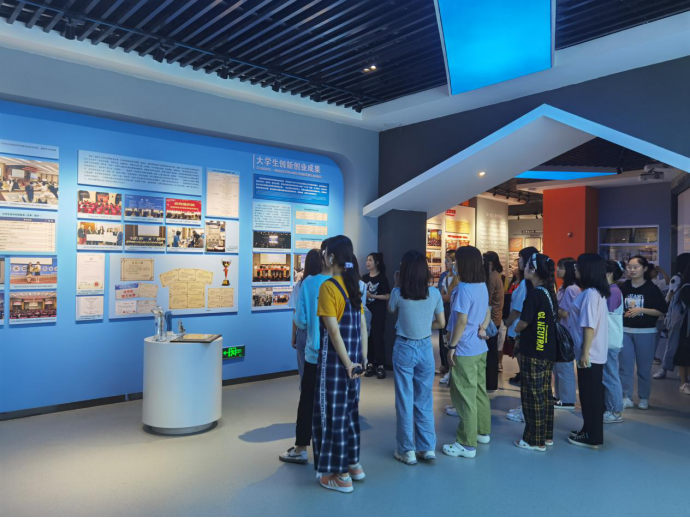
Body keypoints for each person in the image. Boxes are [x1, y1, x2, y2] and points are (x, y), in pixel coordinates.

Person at [313, 236, 368, 494]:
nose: (323, 256)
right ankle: (353, 464)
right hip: (356, 362)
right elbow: (362, 325)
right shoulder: (353, 286)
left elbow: (333, 332)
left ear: (332, 257)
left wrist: (347, 364)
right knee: (349, 413)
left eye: (325, 252)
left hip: (337, 365)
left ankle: (340, 475)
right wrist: (362, 359)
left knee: (332, 414)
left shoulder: (328, 287)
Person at [389, 251, 446, 466]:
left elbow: (390, 309)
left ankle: (407, 451)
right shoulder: (434, 293)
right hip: (425, 348)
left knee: (405, 399)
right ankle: (427, 447)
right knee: (424, 398)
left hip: (404, 347)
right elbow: (441, 323)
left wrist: (396, 284)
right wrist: (424, 325)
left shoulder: (398, 293)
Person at [279, 244, 330, 466]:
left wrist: (297, 334)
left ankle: (301, 448)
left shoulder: (306, 284)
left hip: (311, 346)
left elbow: (299, 319)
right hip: (334, 351)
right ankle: (330, 450)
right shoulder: (340, 283)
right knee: (331, 398)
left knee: (307, 394)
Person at [442, 246, 492, 460]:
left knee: (464, 395)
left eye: (456, 261)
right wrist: (482, 327)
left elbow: (461, 321)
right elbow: (487, 312)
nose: (454, 264)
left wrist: (452, 346)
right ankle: (482, 431)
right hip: (480, 347)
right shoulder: (481, 286)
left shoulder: (463, 289)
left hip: (465, 349)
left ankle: (466, 443)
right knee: (479, 391)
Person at [514, 254, 558, 452]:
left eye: (525, 266)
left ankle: (534, 439)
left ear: (533, 271)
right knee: (544, 394)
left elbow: (524, 322)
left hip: (532, 351)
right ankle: (546, 436)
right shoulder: (548, 292)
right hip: (546, 350)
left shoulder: (534, 294)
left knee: (532, 396)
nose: (522, 268)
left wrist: (515, 329)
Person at [568, 254, 610, 449]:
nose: (575, 270)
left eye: (578, 266)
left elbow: (588, 325)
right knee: (589, 394)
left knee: (590, 395)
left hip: (590, 353)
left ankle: (592, 436)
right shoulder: (595, 292)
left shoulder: (590, 294)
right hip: (593, 352)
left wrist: (585, 353)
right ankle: (588, 430)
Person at [620, 256, 667, 410]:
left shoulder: (651, 288)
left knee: (644, 368)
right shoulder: (624, 287)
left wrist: (641, 310)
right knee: (625, 367)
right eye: (630, 267)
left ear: (645, 268)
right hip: (625, 331)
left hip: (646, 332)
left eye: (636, 267)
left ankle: (644, 397)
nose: (632, 270)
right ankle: (626, 396)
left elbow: (661, 310)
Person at [504, 247, 540, 388]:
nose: (518, 261)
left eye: (521, 258)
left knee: (524, 363)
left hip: (520, 327)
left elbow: (517, 309)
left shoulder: (525, 283)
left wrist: (507, 323)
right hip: (527, 326)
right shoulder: (534, 282)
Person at [655, 253, 690, 379]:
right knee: (672, 345)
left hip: (678, 318)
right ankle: (665, 368)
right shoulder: (678, 279)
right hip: (678, 318)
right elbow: (670, 295)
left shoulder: (681, 278)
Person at [554, 258, 581, 411]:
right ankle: (560, 396)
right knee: (559, 367)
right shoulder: (564, 287)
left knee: (565, 367)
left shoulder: (571, 289)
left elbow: (564, 312)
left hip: (567, 332)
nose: (557, 270)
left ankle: (568, 400)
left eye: (561, 267)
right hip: (562, 331)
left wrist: (551, 308)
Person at [604, 261, 626, 425]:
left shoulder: (612, 291)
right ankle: (612, 408)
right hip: (610, 340)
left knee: (610, 375)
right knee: (609, 374)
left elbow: (607, 314)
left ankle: (615, 410)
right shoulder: (612, 290)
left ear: (610, 273)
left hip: (609, 341)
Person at [363, 252, 391, 380]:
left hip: (379, 313)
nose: (367, 263)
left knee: (378, 337)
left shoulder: (382, 278)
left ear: (377, 263)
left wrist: (372, 296)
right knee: (368, 338)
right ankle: (370, 364)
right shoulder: (364, 278)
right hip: (366, 313)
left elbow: (387, 296)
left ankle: (380, 365)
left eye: (370, 260)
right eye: (367, 260)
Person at [483, 252, 504, 392]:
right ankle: (491, 382)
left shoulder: (492, 277)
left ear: (489, 263)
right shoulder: (496, 276)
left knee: (490, 353)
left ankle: (490, 382)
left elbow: (487, 300)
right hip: (495, 318)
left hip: (491, 319)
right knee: (492, 351)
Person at [439, 250, 459, 386]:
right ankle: (447, 368)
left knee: (452, 337)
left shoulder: (457, 278)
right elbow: (442, 296)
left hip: (452, 311)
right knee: (445, 338)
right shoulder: (445, 278)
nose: (445, 263)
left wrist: (445, 297)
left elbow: (449, 297)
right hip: (446, 310)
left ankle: (452, 370)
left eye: (448, 261)